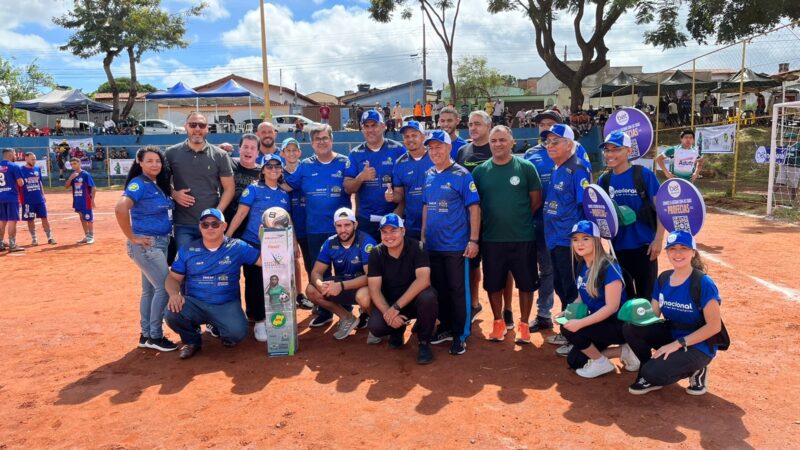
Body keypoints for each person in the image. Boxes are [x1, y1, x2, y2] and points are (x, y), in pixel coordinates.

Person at [623, 231, 723, 396]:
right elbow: (653, 315)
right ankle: (648, 367)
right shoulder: (663, 278)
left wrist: (677, 344)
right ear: (667, 252)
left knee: (652, 373)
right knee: (630, 328)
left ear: (693, 252)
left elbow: (714, 326)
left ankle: (697, 369)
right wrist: (636, 312)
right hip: (673, 334)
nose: (677, 253)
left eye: (683, 248)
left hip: (698, 345)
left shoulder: (703, 283)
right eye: (672, 249)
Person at [473, 125, 542, 344]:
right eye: (494, 141)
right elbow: (476, 205)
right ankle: (498, 322)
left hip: (523, 237)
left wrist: (518, 218)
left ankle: (523, 324)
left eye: (503, 140)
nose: (498, 144)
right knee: (493, 284)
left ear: (512, 142)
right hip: (492, 238)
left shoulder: (526, 167)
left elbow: (535, 200)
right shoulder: (480, 171)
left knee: (527, 284)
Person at [165, 208, 262, 359]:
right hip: (195, 304)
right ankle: (192, 341)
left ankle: (222, 329)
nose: (210, 228)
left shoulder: (237, 247)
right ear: (200, 227)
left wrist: (273, 239)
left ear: (224, 226)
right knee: (172, 312)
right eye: (205, 224)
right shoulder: (188, 250)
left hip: (225, 304)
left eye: (215, 224)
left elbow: (264, 261)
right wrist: (173, 294)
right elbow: (172, 278)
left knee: (237, 334)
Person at [285, 125, 351, 328]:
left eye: (325, 138)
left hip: (341, 230)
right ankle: (325, 311)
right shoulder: (304, 166)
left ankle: (346, 307)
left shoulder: (344, 162)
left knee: (343, 271)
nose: (321, 142)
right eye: (317, 139)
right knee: (318, 272)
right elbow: (287, 185)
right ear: (311, 144)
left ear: (332, 140)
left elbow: (355, 186)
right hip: (314, 229)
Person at [421, 130, 480, 355]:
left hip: (456, 246)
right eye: (431, 147)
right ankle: (445, 327)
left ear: (449, 148)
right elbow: (426, 205)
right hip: (433, 245)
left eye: (439, 147)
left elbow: (474, 208)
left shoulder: (462, 175)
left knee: (457, 291)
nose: (434, 151)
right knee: (440, 290)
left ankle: (460, 334)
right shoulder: (428, 174)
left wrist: (473, 240)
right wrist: (424, 235)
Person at [114, 146, 177, 352]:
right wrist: (132, 237)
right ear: (140, 162)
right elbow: (120, 208)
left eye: (157, 161)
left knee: (150, 290)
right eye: (149, 161)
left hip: (158, 244)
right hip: (148, 245)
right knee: (165, 288)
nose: (154, 164)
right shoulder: (139, 183)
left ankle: (147, 335)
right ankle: (155, 336)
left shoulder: (155, 184)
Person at [558, 221, 638, 378]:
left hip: (618, 325)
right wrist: (567, 313)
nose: (579, 243)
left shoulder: (609, 267)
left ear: (596, 240)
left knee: (570, 329)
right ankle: (624, 351)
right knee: (575, 361)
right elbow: (582, 295)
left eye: (585, 238)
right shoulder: (583, 265)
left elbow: (612, 307)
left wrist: (580, 323)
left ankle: (601, 363)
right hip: (600, 323)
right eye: (575, 239)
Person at [225, 154, 292, 342]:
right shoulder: (253, 189)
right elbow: (241, 213)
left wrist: (293, 243)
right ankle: (259, 320)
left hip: (277, 246)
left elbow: (288, 221)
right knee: (254, 283)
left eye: (277, 166)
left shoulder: (283, 193)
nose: (273, 169)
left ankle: (275, 318)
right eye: (269, 166)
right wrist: (227, 236)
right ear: (262, 170)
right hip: (253, 242)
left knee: (275, 283)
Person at [540, 123, 592, 355]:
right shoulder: (557, 167)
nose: (550, 146)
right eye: (548, 142)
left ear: (569, 145)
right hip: (554, 238)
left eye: (555, 141)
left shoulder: (577, 168)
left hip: (568, 242)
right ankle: (567, 331)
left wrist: (581, 242)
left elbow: (586, 206)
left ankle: (577, 337)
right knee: (561, 286)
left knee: (572, 289)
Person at [456, 110, 511, 324]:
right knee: (472, 265)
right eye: (470, 124)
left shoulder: (497, 148)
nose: (473, 128)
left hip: (497, 222)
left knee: (503, 268)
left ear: (488, 126)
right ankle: (474, 304)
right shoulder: (462, 151)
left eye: (478, 124)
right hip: (471, 221)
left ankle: (507, 310)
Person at [598, 131, 664, 299]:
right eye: (607, 150)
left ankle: (647, 327)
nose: (610, 154)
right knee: (622, 298)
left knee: (646, 298)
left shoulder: (643, 174)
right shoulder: (603, 180)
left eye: (616, 149)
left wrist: (658, 240)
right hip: (617, 249)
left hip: (644, 248)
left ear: (628, 151)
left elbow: (661, 208)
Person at [367, 214, 438, 365]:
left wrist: (396, 308)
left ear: (403, 231)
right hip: (391, 302)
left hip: (413, 302)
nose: (389, 236)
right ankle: (397, 330)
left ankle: (424, 343)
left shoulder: (418, 247)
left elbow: (423, 280)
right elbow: (374, 290)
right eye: (384, 232)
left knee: (428, 297)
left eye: (393, 231)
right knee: (376, 326)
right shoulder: (376, 253)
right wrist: (388, 313)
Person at [165, 112, 235, 251]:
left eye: (202, 125)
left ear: (207, 128)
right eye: (193, 125)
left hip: (211, 225)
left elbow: (229, 189)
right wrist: (174, 193)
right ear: (186, 127)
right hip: (183, 224)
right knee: (185, 266)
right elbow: (161, 182)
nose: (197, 129)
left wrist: (215, 214)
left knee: (211, 265)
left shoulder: (220, 155)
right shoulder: (171, 153)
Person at [305, 207, 376, 340]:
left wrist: (341, 286)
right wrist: (320, 285)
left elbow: (370, 276)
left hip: (361, 286)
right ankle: (347, 317)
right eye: (339, 226)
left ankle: (376, 324)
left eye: (347, 225)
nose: (343, 230)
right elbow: (316, 272)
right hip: (341, 286)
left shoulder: (366, 242)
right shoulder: (330, 242)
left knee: (364, 297)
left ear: (355, 224)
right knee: (311, 290)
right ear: (335, 226)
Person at [343, 110, 406, 241]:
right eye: (366, 126)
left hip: (392, 218)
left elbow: (408, 186)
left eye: (374, 125)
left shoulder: (398, 150)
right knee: (369, 259)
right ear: (362, 129)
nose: (370, 130)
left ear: (383, 126)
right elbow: (348, 188)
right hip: (367, 220)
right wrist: (361, 177)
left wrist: (399, 210)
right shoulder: (355, 154)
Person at [280, 137, 314, 310]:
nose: (292, 153)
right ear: (282, 153)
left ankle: (312, 297)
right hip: (287, 226)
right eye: (288, 150)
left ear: (300, 152)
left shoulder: (306, 168)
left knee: (311, 263)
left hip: (309, 225)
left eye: (295, 150)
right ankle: (292, 295)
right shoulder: (277, 173)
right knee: (289, 261)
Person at [385, 121, 433, 241]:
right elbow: (399, 195)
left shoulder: (435, 156)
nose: (410, 139)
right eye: (406, 136)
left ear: (423, 136)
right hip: (411, 226)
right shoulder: (400, 163)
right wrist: (391, 195)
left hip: (436, 225)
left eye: (414, 135)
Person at [223, 134, 261, 229]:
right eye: (245, 147)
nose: (248, 150)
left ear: (257, 153)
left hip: (248, 226)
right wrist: (220, 147)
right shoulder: (228, 164)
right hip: (224, 221)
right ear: (239, 149)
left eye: (253, 148)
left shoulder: (263, 173)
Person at [19, 152, 55, 246]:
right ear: (26, 159)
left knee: (45, 218)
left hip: (39, 199)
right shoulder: (20, 170)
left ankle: (50, 237)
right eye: (32, 159)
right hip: (27, 200)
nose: (34, 161)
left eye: (35, 159)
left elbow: (40, 183)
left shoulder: (37, 169)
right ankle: (34, 239)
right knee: (30, 219)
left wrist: (43, 195)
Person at [65, 157, 96, 245]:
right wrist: (70, 178)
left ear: (79, 164)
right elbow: (66, 186)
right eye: (71, 164)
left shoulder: (85, 174)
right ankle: (86, 236)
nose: (73, 166)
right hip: (77, 200)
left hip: (85, 200)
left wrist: (92, 200)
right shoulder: (73, 175)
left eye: (75, 163)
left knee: (88, 218)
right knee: (82, 218)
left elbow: (93, 187)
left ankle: (91, 236)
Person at [0, 148, 25, 252]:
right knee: (12, 221)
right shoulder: (14, 166)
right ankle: (12, 244)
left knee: (2, 221)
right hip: (11, 197)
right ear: (10, 155)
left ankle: (0, 243)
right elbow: (20, 183)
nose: (15, 156)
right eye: (14, 154)